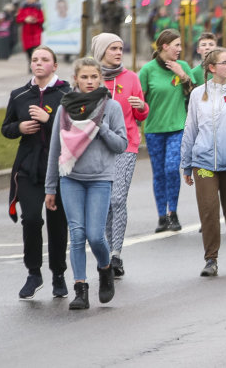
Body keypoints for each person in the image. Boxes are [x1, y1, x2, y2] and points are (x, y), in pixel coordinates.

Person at [44, 57, 128, 310]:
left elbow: (121, 145)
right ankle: (80, 288)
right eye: (85, 77)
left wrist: (100, 127)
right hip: (71, 178)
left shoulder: (110, 108)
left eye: (94, 77)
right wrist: (50, 187)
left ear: (100, 79)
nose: (90, 82)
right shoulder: (65, 108)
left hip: (100, 179)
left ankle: (104, 269)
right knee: (78, 234)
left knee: (95, 235)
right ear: (76, 79)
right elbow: (55, 149)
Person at [3, 46, 71, 300]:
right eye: (35, 59)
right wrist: (19, 126)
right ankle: (34, 273)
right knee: (31, 219)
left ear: (55, 66)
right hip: (28, 168)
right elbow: (6, 128)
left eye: (45, 60)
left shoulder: (66, 94)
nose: (39, 63)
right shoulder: (19, 94)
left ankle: (58, 275)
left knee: (57, 224)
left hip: (59, 169)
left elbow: (74, 130)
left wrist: (48, 119)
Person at [181, 48, 226, 277]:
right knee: (208, 210)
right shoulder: (197, 95)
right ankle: (211, 259)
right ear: (212, 68)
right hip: (203, 164)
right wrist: (186, 163)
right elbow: (190, 129)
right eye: (224, 63)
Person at [91, 33, 149, 278]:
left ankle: (116, 254)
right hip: (97, 149)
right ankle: (104, 253)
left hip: (126, 146)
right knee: (104, 204)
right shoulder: (91, 77)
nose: (118, 53)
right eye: (113, 48)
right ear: (101, 51)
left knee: (117, 199)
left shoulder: (131, 78)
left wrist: (141, 107)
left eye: (121, 48)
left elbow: (141, 115)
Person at [139, 29, 193, 233]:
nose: (179, 49)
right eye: (176, 45)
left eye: (180, 45)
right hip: (154, 129)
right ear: (165, 47)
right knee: (159, 173)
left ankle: (174, 213)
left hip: (177, 127)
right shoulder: (148, 70)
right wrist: (136, 125)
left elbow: (194, 95)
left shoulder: (184, 66)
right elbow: (140, 101)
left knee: (172, 168)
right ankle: (162, 216)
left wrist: (183, 76)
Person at [16, 0, 45, 66]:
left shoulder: (38, 8)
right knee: (28, 49)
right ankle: (30, 62)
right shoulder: (23, 8)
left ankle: (34, 63)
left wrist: (36, 20)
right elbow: (18, 19)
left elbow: (42, 19)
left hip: (36, 32)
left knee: (35, 49)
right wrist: (25, 19)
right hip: (26, 32)